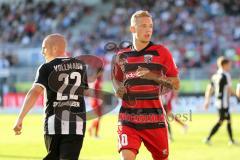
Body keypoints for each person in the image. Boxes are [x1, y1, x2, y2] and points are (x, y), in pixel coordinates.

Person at [112, 10, 180, 160]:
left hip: (154, 120)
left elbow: (176, 84)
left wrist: (152, 76)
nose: (148, 29)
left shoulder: (162, 52)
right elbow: (116, 80)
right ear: (132, 29)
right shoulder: (121, 56)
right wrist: (118, 89)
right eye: (143, 26)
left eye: (150, 26)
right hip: (128, 119)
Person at [13, 34, 89, 160]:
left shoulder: (46, 67)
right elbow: (84, 91)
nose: (42, 51)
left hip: (55, 122)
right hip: (76, 124)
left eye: (44, 48)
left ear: (54, 48)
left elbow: (35, 92)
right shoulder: (81, 66)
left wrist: (20, 118)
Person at [204, 56, 237, 145]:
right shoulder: (226, 75)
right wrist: (237, 95)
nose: (230, 66)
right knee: (221, 121)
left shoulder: (215, 76)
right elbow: (230, 89)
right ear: (224, 65)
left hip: (218, 102)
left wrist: (207, 100)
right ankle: (208, 138)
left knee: (228, 120)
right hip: (224, 103)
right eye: (229, 65)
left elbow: (209, 88)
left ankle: (231, 140)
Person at [88, 68, 104, 138]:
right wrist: (98, 100)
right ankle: (94, 133)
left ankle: (93, 131)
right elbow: (93, 92)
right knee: (98, 117)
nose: (102, 73)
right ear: (99, 72)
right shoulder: (96, 80)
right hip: (96, 101)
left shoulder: (98, 79)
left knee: (99, 117)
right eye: (101, 72)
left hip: (97, 101)